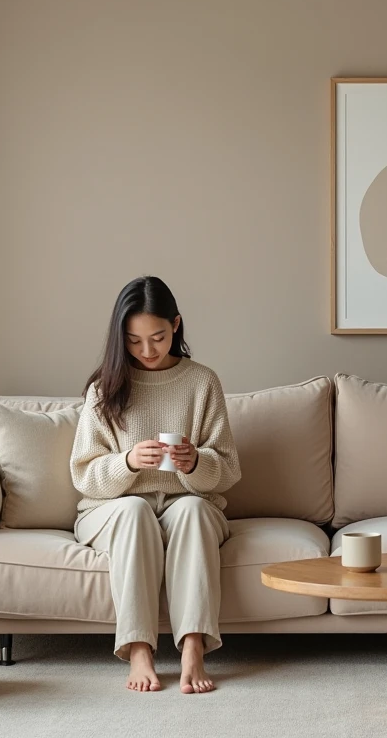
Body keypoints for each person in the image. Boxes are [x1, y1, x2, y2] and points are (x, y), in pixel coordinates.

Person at [70, 276, 241, 694]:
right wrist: (127, 462)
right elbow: (83, 474)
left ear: (177, 326)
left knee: (195, 510)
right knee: (135, 511)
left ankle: (193, 649)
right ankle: (139, 648)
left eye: (158, 338)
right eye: (134, 341)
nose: (147, 351)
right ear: (120, 337)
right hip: (113, 510)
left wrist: (196, 461)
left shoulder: (202, 382)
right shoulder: (103, 389)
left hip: (189, 500)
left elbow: (229, 468)